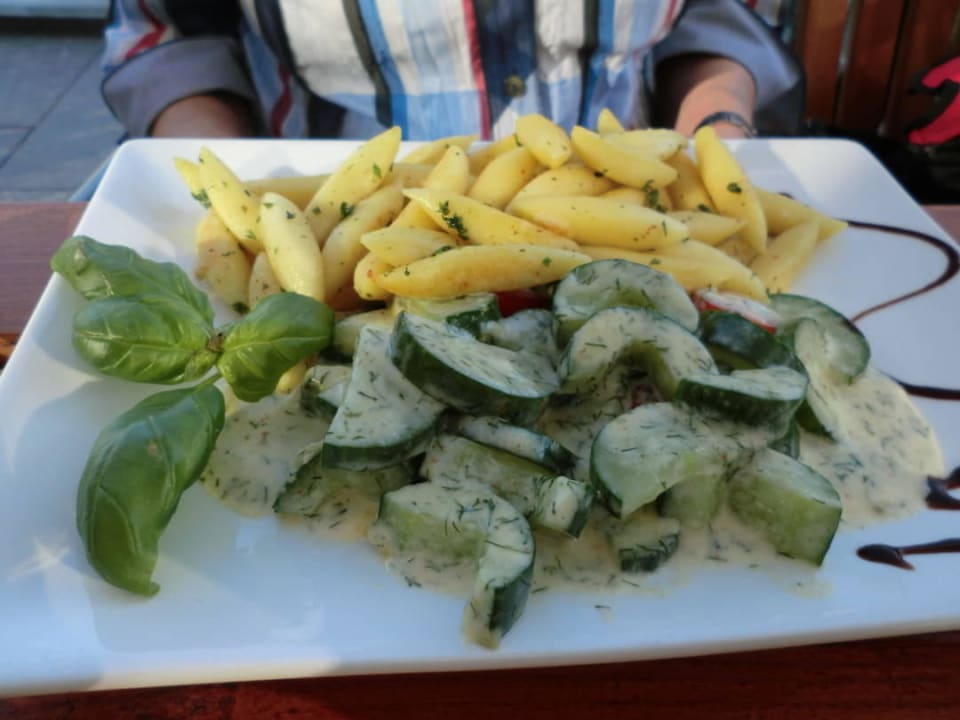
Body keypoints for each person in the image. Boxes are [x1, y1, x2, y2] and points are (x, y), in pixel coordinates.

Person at [101, 0, 803, 142]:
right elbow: (170, 32)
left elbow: (719, 13)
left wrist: (719, 135)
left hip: (633, 218)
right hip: (326, 225)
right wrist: (224, 193)